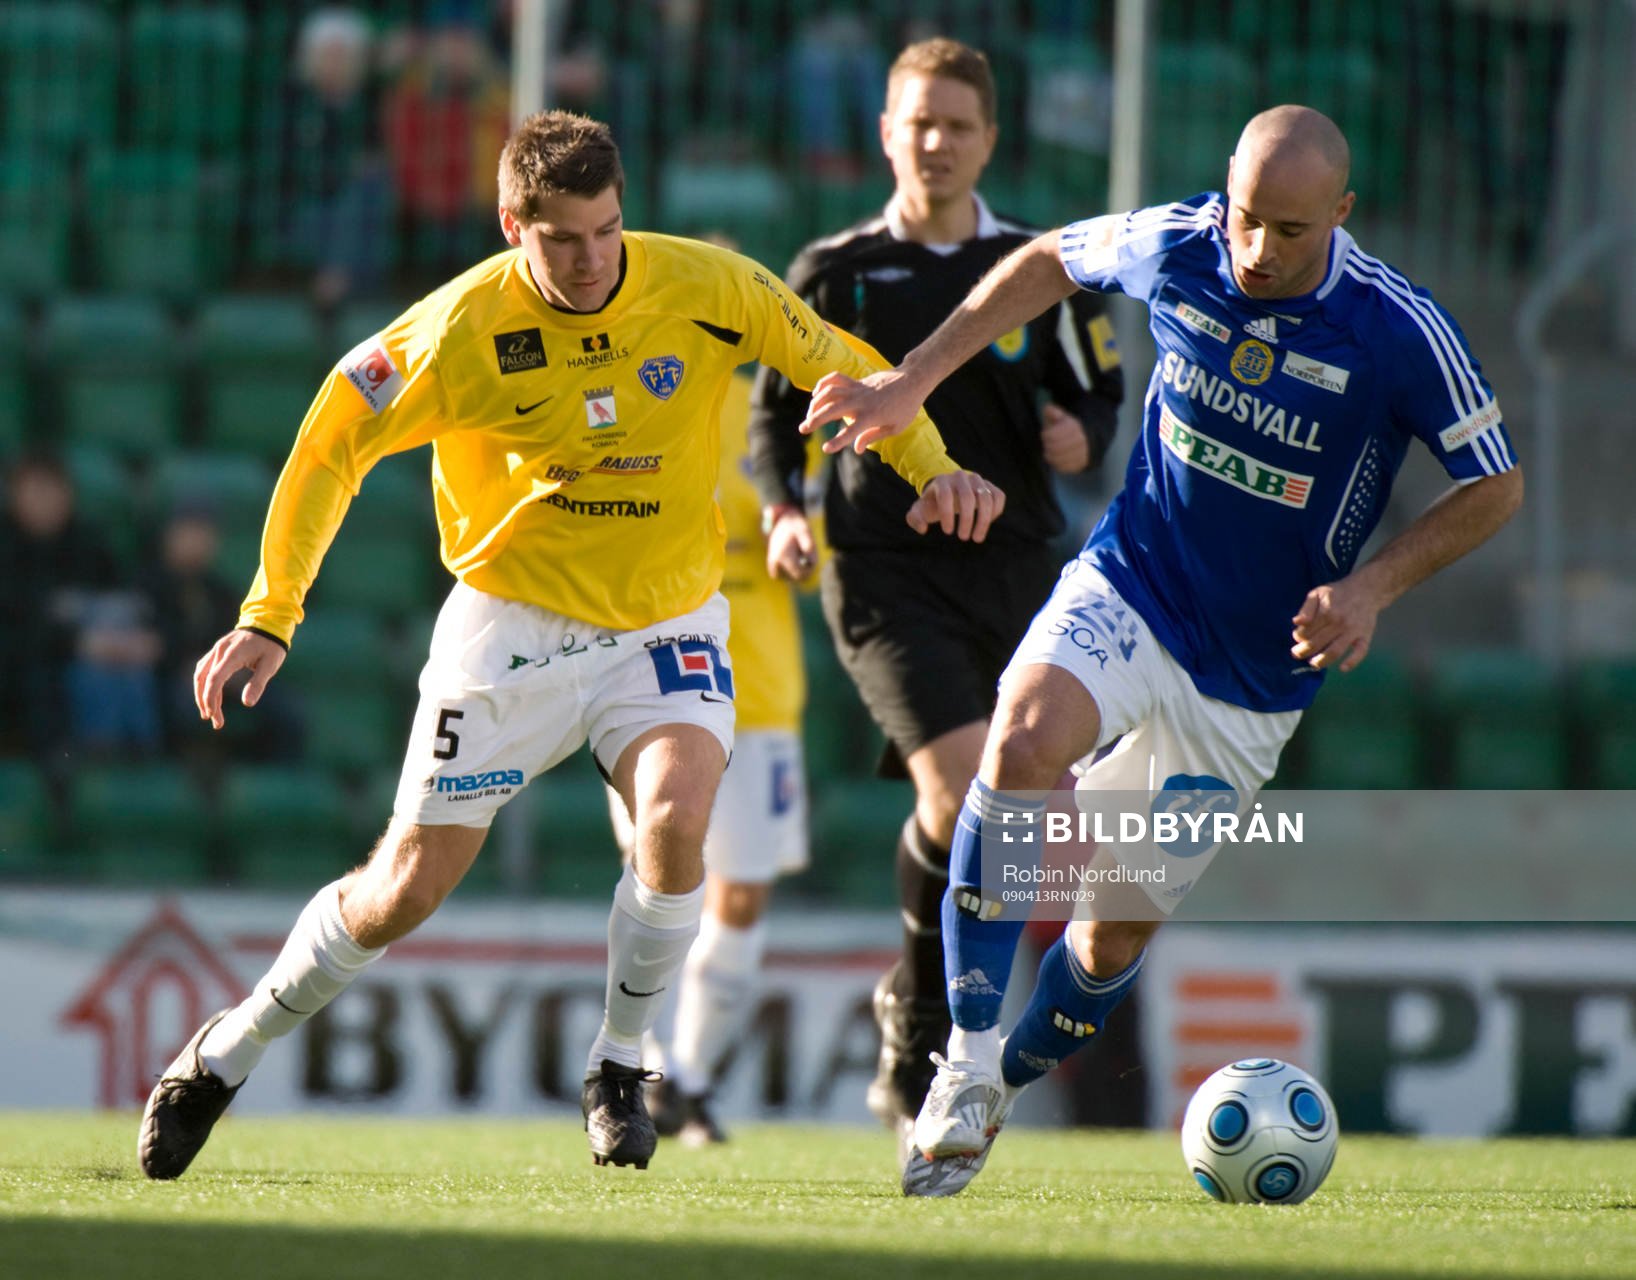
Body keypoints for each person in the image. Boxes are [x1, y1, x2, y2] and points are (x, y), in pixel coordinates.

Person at [137, 109, 1004, 1181]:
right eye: (564, 239)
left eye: (607, 230)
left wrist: (937, 467)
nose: (593, 258)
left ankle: (619, 1064)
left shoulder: (707, 288)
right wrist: (272, 613)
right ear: (513, 225)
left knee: (682, 817)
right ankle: (227, 1051)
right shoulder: (456, 331)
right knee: (400, 889)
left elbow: (851, 368)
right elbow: (330, 442)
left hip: (664, 620)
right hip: (508, 625)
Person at [800, 104, 1524, 1196]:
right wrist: (912, 379)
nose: (1255, 250)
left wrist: (1373, 586)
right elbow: (1046, 259)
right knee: (1023, 735)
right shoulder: (1179, 239)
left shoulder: (1393, 329)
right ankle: (961, 1056)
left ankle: (996, 1089)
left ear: (1341, 214)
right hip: (1132, 585)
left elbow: (1497, 481)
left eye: (1288, 230)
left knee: (1103, 944)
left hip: (1249, 679)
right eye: (1244, 218)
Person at [748, 36, 1124, 1143]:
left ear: (989, 139)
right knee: (971, 797)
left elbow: (1098, 386)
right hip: (883, 568)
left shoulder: (1041, 267)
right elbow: (777, 415)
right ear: (885, 132)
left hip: (1015, 567)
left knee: (976, 819)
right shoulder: (833, 270)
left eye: (958, 124)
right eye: (918, 121)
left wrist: (1080, 431)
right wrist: (782, 508)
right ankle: (936, 1034)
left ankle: (911, 1008)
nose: (937, 142)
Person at [607, 364, 820, 1146]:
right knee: (660, 881)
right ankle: (647, 1071)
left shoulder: (782, 423)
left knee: (741, 898)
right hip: (648, 688)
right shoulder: (628, 407)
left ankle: (684, 1080)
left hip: (759, 692)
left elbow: (812, 552)